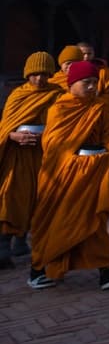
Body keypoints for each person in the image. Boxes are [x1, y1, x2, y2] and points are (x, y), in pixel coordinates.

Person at [28, 60, 109, 291]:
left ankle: (106, 272)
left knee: (94, 223)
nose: (91, 87)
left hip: (94, 170)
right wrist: (79, 159)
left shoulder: (100, 106)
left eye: (94, 82)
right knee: (56, 222)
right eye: (86, 82)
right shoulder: (60, 108)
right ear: (71, 84)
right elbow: (54, 145)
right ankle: (37, 270)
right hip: (64, 176)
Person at [0, 52, 63, 269]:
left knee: (38, 196)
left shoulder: (57, 94)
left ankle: (22, 240)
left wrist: (46, 136)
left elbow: (63, 123)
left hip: (45, 155)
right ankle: (3, 245)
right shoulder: (18, 95)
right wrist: (13, 136)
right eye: (34, 74)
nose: (39, 80)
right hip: (17, 155)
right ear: (27, 74)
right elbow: (5, 126)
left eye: (44, 74)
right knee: (11, 195)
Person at [78, 42, 109, 119]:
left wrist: (95, 101)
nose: (86, 57)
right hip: (76, 108)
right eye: (83, 54)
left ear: (93, 54)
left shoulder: (103, 71)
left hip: (97, 109)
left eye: (89, 54)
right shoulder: (70, 70)